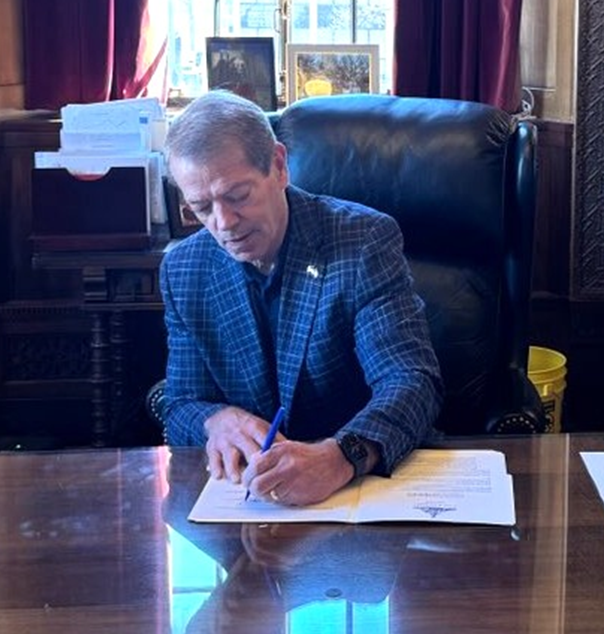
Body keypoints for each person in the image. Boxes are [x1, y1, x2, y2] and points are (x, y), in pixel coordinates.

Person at [159, 90, 443, 507]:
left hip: (364, 490)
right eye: (201, 207)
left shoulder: (362, 240)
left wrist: (342, 455)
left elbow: (411, 380)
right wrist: (214, 421)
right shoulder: (184, 268)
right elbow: (180, 403)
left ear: (278, 166)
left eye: (238, 196)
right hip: (250, 501)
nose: (223, 223)